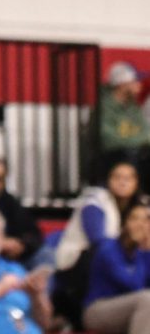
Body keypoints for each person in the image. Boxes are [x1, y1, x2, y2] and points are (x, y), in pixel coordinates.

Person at [54, 161, 145, 326]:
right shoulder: (95, 201)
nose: (122, 182)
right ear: (108, 180)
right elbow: (98, 241)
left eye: (128, 178)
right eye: (117, 177)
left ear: (136, 183)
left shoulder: (137, 208)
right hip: (77, 268)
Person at [83, 202, 150, 334]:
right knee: (147, 299)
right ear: (124, 223)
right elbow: (133, 285)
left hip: (134, 310)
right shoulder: (109, 248)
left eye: (146, 220)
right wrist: (144, 252)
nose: (140, 224)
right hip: (98, 310)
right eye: (134, 218)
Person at [99, 64, 150, 192]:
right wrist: (140, 140)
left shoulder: (133, 107)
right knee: (129, 154)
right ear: (122, 84)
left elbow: (146, 131)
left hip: (136, 155)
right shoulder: (104, 107)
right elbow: (109, 140)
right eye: (134, 80)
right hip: (112, 158)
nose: (139, 84)